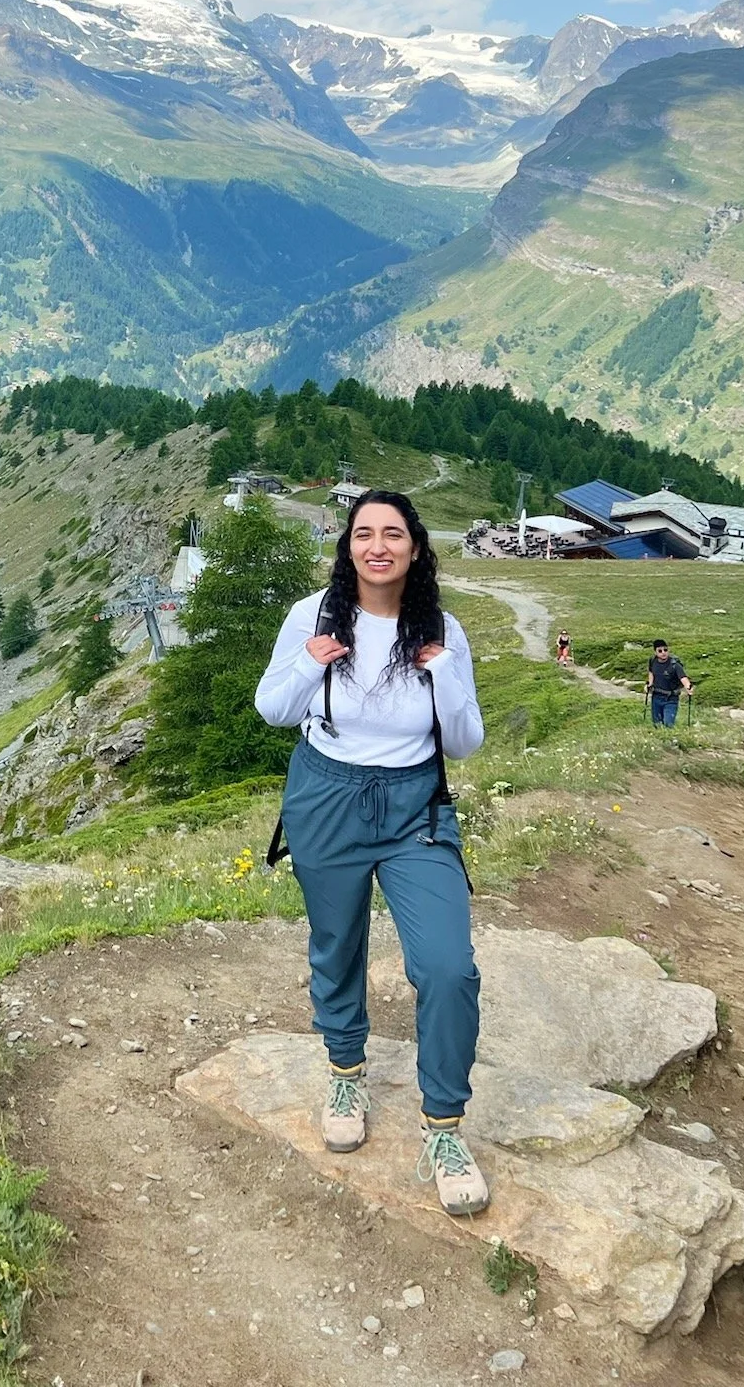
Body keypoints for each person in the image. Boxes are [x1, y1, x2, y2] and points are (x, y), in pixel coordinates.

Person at [255, 489, 489, 1216]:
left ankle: (444, 1125)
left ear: (415, 548)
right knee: (337, 944)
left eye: (393, 534)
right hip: (326, 794)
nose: (377, 546)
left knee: (447, 966)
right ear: (348, 545)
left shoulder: (441, 630)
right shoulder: (313, 615)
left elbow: (464, 741)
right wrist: (307, 663)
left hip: (415, 804)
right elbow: (273, 708)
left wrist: (444, 673)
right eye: (365, 534)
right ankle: (346, 1070)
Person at [645, 640, 692, 730]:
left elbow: (683, 677)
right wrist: (649, 684)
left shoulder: (675, 665)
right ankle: (659, 742)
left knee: (668, 724)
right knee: (657, 724)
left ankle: (670, 740)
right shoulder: (652, 661)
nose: (663, 653)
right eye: (660, 651)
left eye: (665, 650)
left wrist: (688, 687)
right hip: (656, 697)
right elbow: (651, 672)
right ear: (655, 652)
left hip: (671, 699)